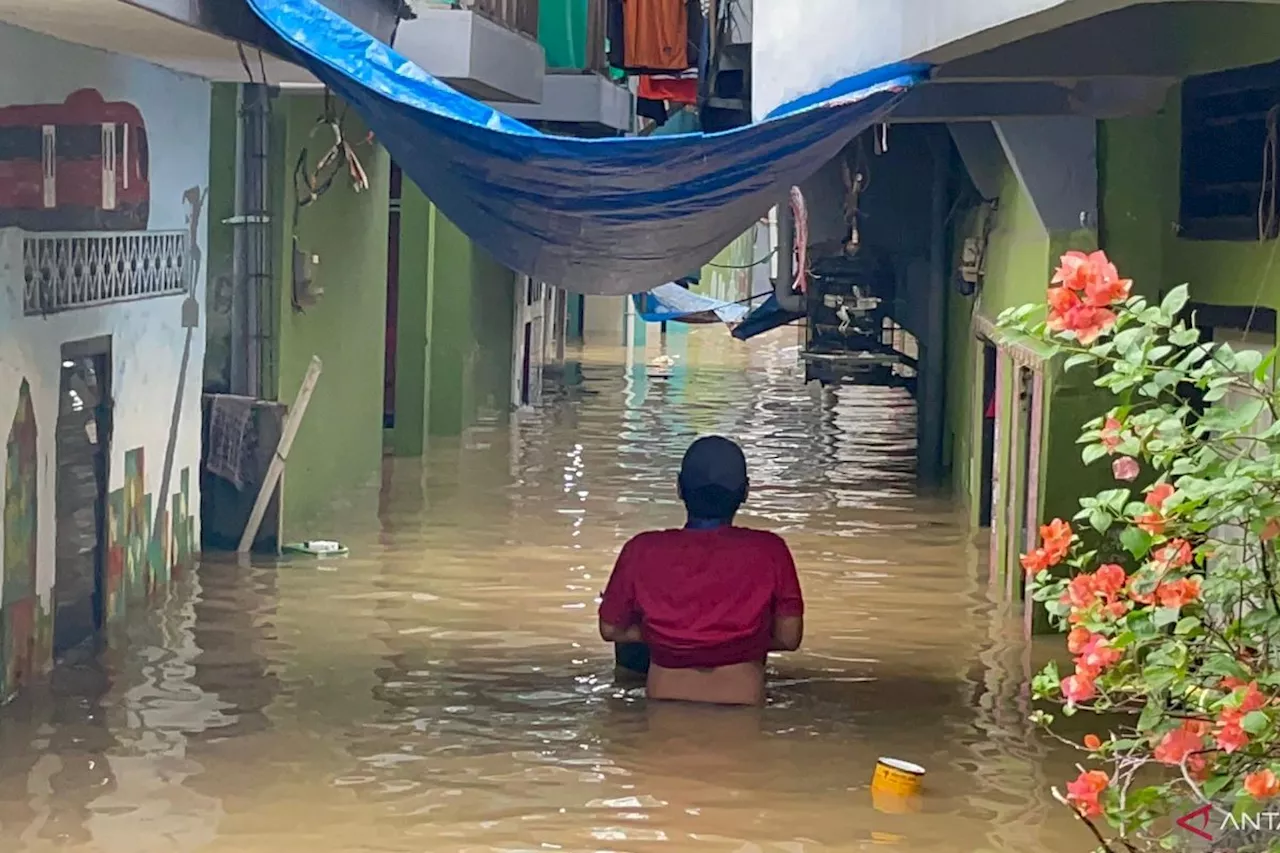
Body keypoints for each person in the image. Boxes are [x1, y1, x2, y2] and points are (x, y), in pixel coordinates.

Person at [598, 435, 805, 706]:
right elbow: (789, 638)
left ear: (679, 488)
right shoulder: (770, 551)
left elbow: (610, 629)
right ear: (745, 492)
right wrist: (736, 639)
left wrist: (661, 634)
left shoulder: (642, 550)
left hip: (663, 705)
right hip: (743, 704)